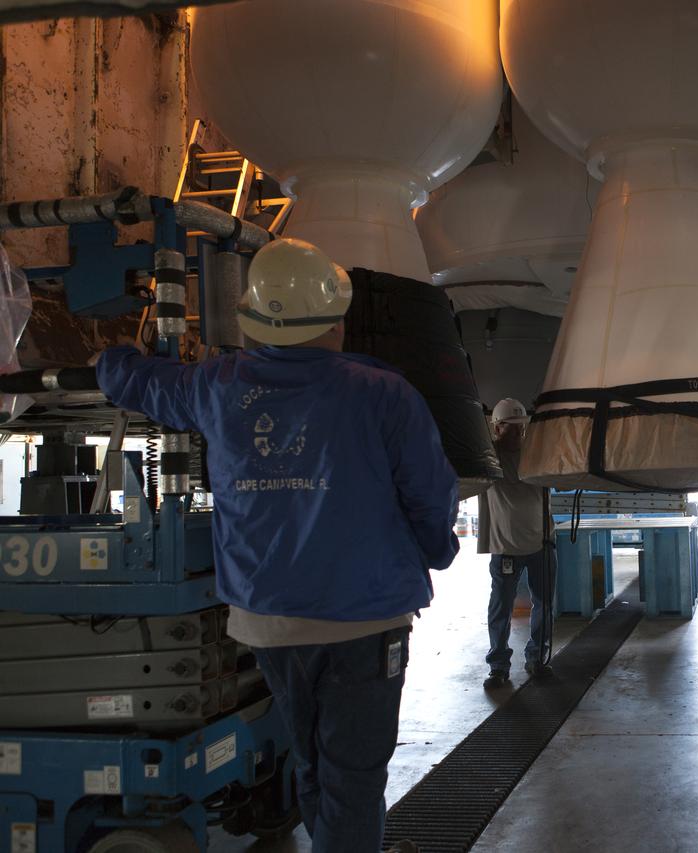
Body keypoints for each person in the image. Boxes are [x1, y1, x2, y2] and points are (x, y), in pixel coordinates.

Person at [95, 238, 459, 853]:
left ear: (255, 321)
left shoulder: (217, 385)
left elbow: (139, 384)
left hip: (268, 620)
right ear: (336, 321)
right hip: (363, 621)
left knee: (310, 759)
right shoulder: (382, 393)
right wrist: (437, 551)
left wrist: (113, 357)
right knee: (353, 775)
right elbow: (430, 493)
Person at [477, 397, 556, 689]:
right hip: (505, 547)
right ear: (496, 428)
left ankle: (537, 658)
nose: (517, 435)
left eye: (520, 429)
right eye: (510, 429)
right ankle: (498, 666)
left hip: (542, 542)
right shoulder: (488, 457)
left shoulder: (537, 455)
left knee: (544, 604)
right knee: (501, 607)